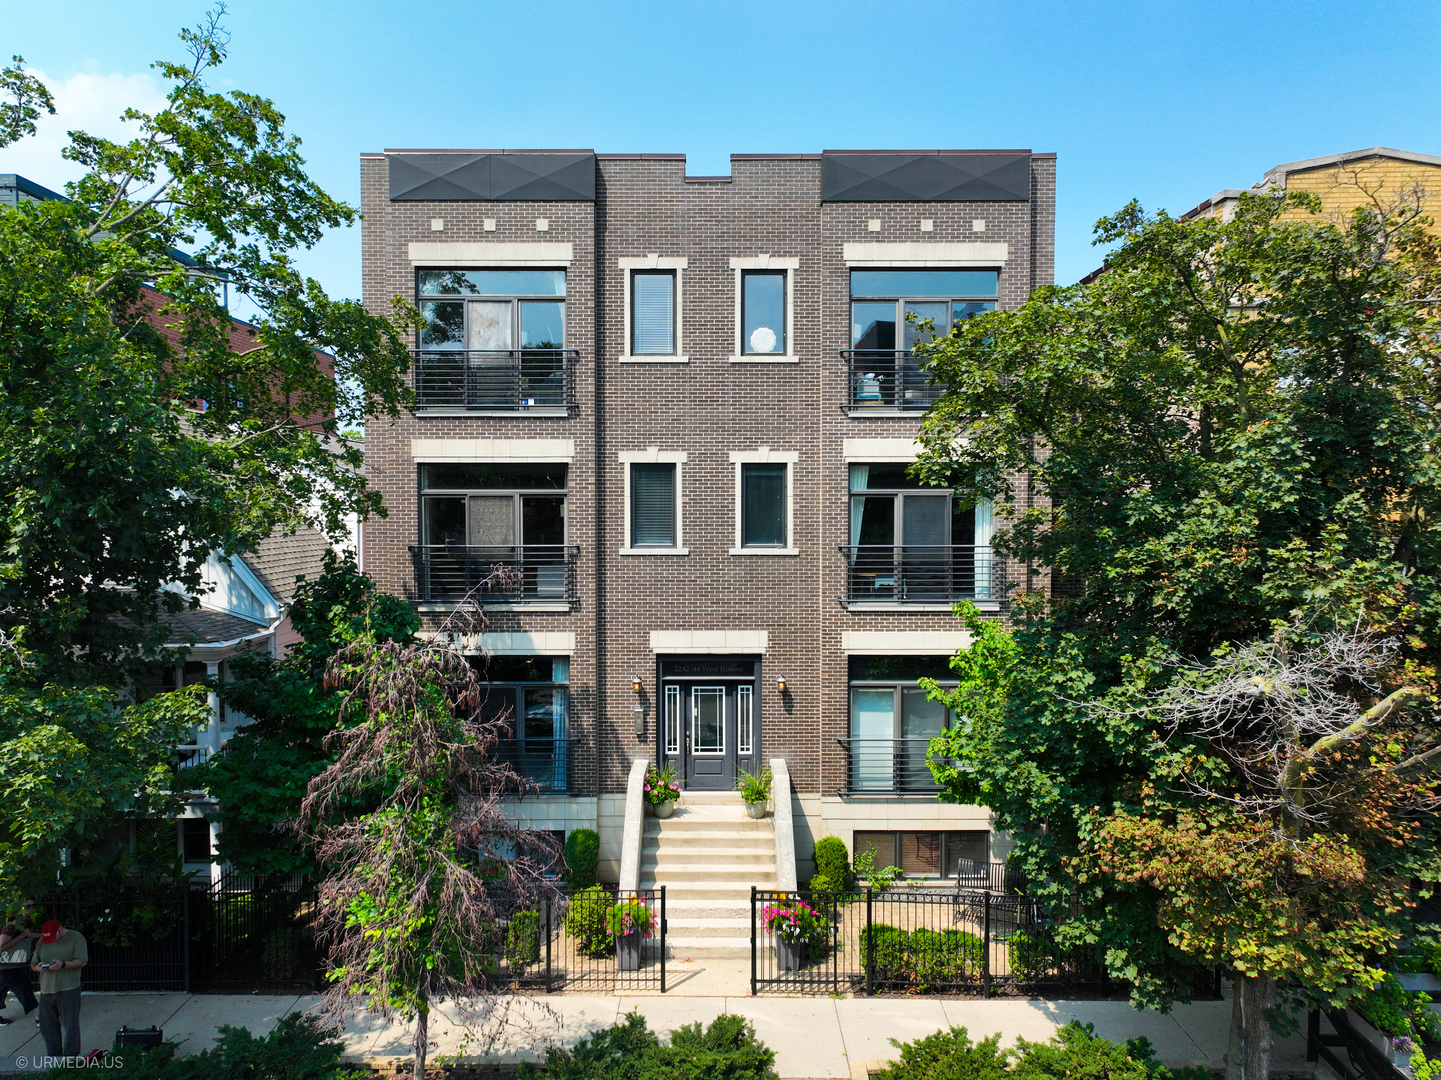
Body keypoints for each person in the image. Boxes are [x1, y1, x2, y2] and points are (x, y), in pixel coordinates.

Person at [31, 918, 86, 1059]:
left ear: (60, 929)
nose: (50, 940)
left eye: (52, 936)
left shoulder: (76, 938)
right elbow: (33, 964)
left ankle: (70, 1056)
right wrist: (38, 967)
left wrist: (63, 964)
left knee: (70, 1024)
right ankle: (54, 1055)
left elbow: (82, 961)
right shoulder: (41, 942)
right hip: (47, 988)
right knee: (47, 1025)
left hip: (68, 987)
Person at [0, 901, 38, 1023]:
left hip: (8, 963)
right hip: (8, 964)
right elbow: (1, 946)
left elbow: (27, 935)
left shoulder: (22, 921)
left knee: (2, 989)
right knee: (23, 988)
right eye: (28, 906)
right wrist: (22, 936)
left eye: (33, 905)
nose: (31, 908)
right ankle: (39, 1016)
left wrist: (46, 935)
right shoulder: (12, 923)